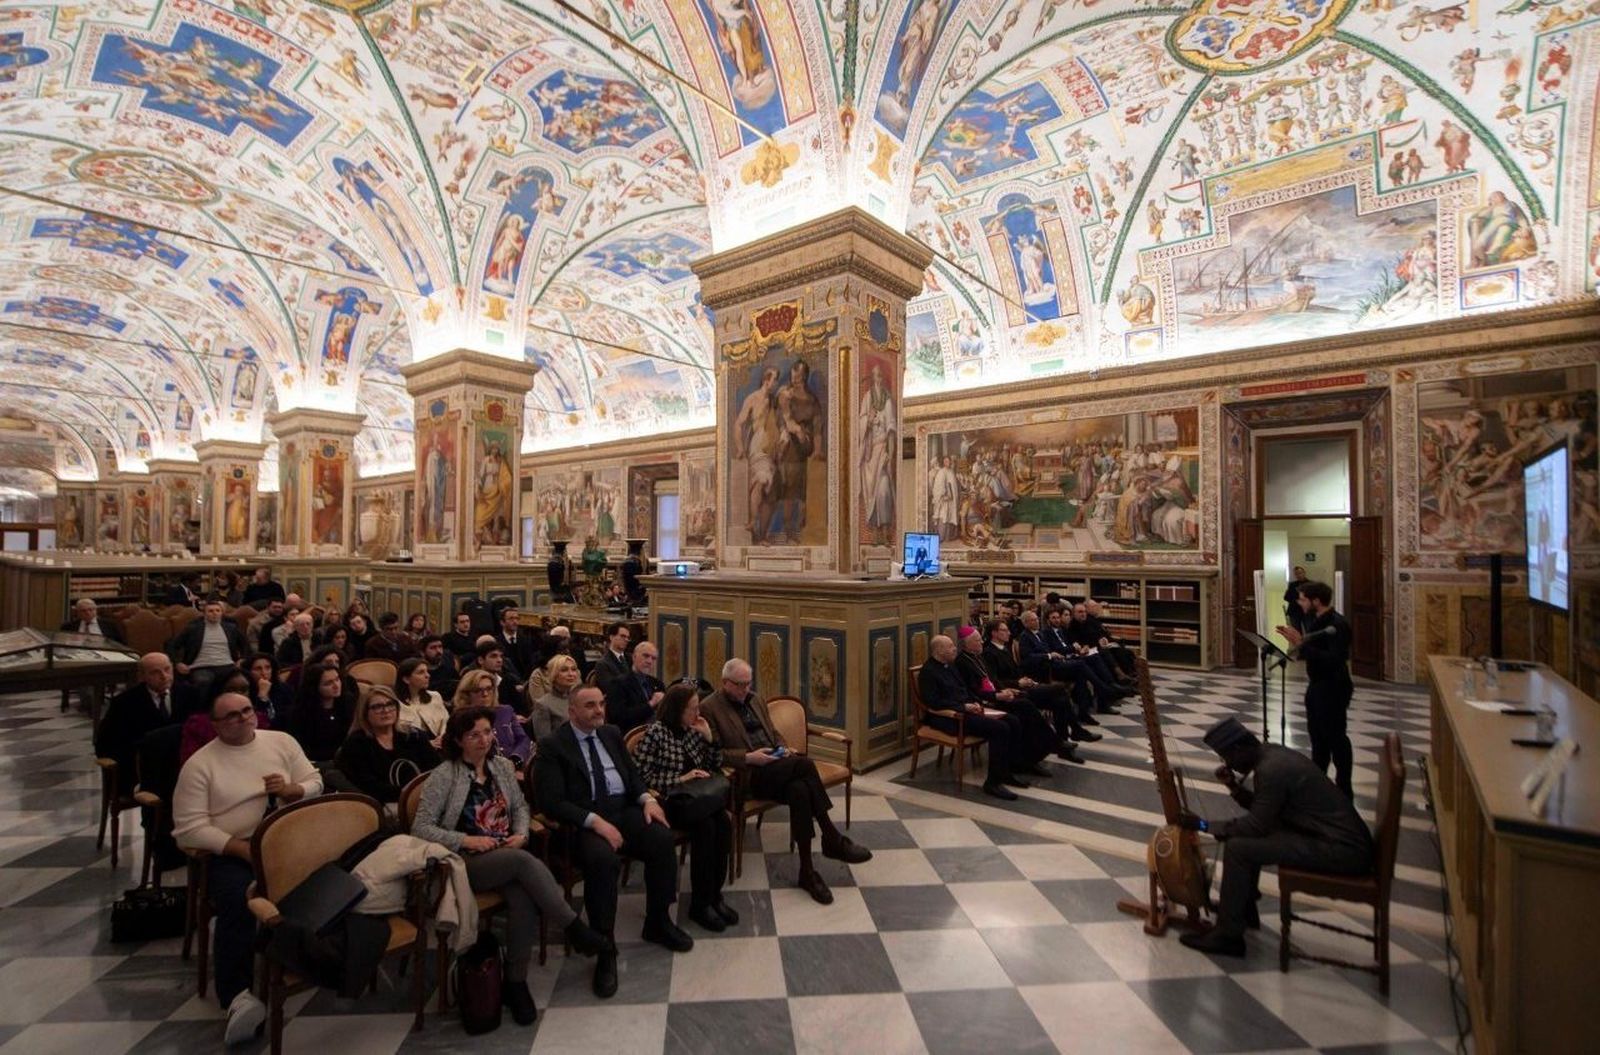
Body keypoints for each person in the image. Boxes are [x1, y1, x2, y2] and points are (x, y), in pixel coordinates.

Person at [413, 706, 610, 1024]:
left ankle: (515, 982)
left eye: (487, 732)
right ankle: (574, 927)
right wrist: (466, 841)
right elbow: (421, 828)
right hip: (466, 862)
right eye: (473, 735)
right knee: (522, 862)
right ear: (458, 740)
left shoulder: (501, 766)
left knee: (522, 899)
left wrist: (520, 832)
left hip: (505, 852)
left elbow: (519, 806)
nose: (483, 740)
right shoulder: (445, 774)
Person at [173, 691, 321, 1045]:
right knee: (238, 902)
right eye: (232, 716)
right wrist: (240, 849)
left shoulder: (280, 742)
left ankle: (312, 958)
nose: (243, 719)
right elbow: (188, 829)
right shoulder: (200, 765)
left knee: (332, 880)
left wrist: (291, 790)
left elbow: (316, 782)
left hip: (288, 838)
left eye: (247, 711)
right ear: (215, 725)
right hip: (232, 850)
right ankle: (237, 996)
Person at [534, 685, 692, 999]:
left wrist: (647, 799)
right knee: (603, 861)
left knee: (661, 838)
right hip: (583, 823)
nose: (598, 710)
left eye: (601, 703)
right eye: (590, 705)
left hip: (623, 810)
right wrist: (595, 822)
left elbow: (632, 775)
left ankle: (658, 920)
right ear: (572, 711)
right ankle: (604, 945)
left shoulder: (611, 734)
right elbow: (551, 802)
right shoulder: (554, 746)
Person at [1177, 717, 1373, 957]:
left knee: (1240, 848)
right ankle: (1241, 909)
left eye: (1227, 757)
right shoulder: (1271, 755)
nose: (1228, 764)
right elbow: (1266, 811)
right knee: (1245, 841)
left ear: (1239, 748)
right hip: (1336, 840)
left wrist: (1204, 824)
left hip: (1342, 850)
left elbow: (1256, 825)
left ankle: (1228, 936)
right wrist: (1234, 787)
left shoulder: (1271, 770)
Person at [701, 659, 870, 904]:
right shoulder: (710, 708)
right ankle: (832, 838)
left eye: (749, 683)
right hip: (748, 774)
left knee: (800, 790)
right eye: (740, 685)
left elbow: (773, 732)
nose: (745, 689)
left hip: (776, 765)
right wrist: (749, 757)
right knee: (806, 765)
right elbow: (712, 754)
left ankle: (807, 872)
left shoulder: (755, 699)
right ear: (725, 683)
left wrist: (781, 747)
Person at [633, 683, 735, 932]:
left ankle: (714, 895)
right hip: (671, 800)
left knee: (723, 822)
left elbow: (715, 765)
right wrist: (680, 779)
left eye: (697, 707)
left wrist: (709, 739)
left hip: (699, 798)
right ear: (677, 709)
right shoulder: (656, 733)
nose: (697, 713)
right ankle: (700, 904)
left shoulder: (692, 730)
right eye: (692, 709)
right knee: (707, 826)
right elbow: (639, 775)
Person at [918, 635, 1030, 801]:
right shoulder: (928, 672)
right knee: (1000, 729)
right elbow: (933, 702)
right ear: (939, 651)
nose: (955, 648)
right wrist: (964, 707)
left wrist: (977, 703)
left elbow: (965, 689)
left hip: (969, 709)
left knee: (1012, 720)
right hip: (951, 717)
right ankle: (993, 782)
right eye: (950, 646)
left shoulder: (951, 666)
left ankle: (1007, 771)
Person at [1277, 580, 1356, 797]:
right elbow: (1310, 650)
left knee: (1335, 736)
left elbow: (1335, 659)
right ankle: (1318, 780)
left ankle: (1344, 786)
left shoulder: (1337, 624)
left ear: (1316, 601)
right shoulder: (1316, 620)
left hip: (1333, 686)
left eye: (1302, 599)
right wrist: (1299, 642)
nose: (1299, 603)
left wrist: (1301, 643)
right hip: (1317, 685)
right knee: (1317, 736)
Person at [953, 627, 1058, 775]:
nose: (981, 641)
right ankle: (1045, 746)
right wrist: (997, 696)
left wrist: (1006, 689)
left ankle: (1030, 757)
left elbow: (993, 680)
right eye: (977, 640)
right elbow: (973, 691)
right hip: (986, 701)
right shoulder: (962, 662)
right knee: (1023, 707)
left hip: (996, 695)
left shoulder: (978, 656)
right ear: (966, 644)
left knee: (1024, 703)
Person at [981, 620, 1097, 750]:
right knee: (1059, 689)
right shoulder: (989, 653)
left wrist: (1025, 679)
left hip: (1023, 686)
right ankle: (1074, 732)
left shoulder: (1005, 649)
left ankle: (1064, 741)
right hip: (1014, 692)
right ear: (994, 633)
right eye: (1004, 630)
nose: (1009, 632)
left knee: (1060, 701)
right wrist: (1018, 682)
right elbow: (994, 680)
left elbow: (1017, 671)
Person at [335, 685, 440, 804]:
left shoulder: (414, 735)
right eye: (377, 707)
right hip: (383, 803)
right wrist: (408, 795)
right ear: (364, 712)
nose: (386, 710)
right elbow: (368, 785)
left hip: (424, 797)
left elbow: (436, 770)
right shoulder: (356, 743)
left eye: (390, 704)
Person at [453, 669, 530, 772]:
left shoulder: (506, 711)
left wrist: (515, 760)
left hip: (515, 765)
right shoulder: (460, 719)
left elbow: (523, 739)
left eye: (489, 689)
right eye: (478, 690)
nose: (485, 694)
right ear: (467, 694)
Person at [169, 598, 245, 698]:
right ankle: (201, 712)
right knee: (203, 681)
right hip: (202, 667)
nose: (215, 613)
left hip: (227, 665)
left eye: (218, 611)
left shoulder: (231, 628)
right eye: (211, 611)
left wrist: (242, 659)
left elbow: (245, 645)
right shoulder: (193, 628)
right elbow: (172, 645)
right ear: (204, 614)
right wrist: (178, 663)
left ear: (222, 613)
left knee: (240, 681)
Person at [289, 661, 354, 764]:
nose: (336, 685)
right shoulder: (302, 713)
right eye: (328, 683)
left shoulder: (348, 703)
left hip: (347, 759)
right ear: (315, 687)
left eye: (337, 679)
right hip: (318, 762)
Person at [603, 640, 664, 733]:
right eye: (646, 656)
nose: (649, 661)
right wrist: (650, 704)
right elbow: (619, 718)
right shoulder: (618, 683)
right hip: (632, 734)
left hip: (658, 733)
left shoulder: (658, 684)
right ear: (634, 657)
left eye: (653, 658)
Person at [396, 657, 449, 747]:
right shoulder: (395, 704)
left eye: (427, 671)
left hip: (442, 745)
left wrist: (443, 738)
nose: (428, 675)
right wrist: (427, 744)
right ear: (406, 679)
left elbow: (446, 721)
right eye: (421, 672)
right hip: (415, 749)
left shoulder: (435, 696)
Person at [529, 654, 581, 741]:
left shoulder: (580, 699)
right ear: (554, 674)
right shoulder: (542, 704)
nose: (571, 674)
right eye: (564, 670)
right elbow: (544, 743)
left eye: (573, 669)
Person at [242, 652, 293, 725]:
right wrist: (262, 696)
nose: (264, 672)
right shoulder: (245, 692)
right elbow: (256, 720)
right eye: (258, 669)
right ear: (249, 672)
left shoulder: (284, 688)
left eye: (268, 668)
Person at [494, 604, 536, 685]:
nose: (515, 622)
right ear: (502, 622)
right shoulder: (496, 642)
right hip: (507, 683)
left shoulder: (526, 639)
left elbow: (531, 663)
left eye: (517, 618)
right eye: (511, 619)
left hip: (526, 681)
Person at [60, 597, 125, 642]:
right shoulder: (68, 627)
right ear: (78, 613)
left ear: (96, 610)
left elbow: (120, 644)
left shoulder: (110, 625)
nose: (88, 613)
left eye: (90, 609)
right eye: (83, 611)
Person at [417, 633, 460, 700]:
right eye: (433, 648)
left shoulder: (448, 665)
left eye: (440, 647)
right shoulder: (419, 671)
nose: (438, 651)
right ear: (422, 653)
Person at [593, 621, 632, 693]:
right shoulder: (603, 663)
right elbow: (610, 688)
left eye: (628, 637)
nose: (626, 640)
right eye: (622, 636)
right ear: (611, 637)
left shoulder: (631, 659)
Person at [1284, 565, 1311, 636]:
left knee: (1309, 631)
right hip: (1294, 611)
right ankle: (1299, 646)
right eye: (1296, 574)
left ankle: (1309, 646)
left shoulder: (1311, 584)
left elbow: (1313, 598)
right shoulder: (1292, 585)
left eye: (1300, 573)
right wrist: (1296, 599)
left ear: (1304, 573)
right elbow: (1286, 597)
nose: (1299, 575)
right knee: (1296, 633)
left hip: (1307, 612)